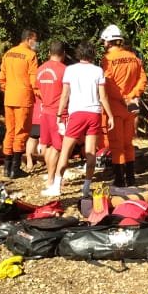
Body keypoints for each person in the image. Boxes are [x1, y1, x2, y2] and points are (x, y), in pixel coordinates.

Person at [42, 42, 114, 197]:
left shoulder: (70, 70)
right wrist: (110, 115)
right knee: (90, 152)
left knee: (65, 151)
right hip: (94, 113)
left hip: (77, 114)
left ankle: (56, 186)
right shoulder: (98, 71)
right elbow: (103, 97)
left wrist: (59, 114)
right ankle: (86, 187)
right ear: (93, 54)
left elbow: (65, 95)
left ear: (78, 54)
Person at [100, 24, 147, 186]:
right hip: (132, 105)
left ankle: (120, 180)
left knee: (116, 144)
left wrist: (123, 97)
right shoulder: (134, 57)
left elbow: (107, 84)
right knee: (128, 143)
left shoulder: (107, 60)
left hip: (115, 106)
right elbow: (143, 80)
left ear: (108, 42)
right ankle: (131, 178)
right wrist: (133, 95)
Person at [0, 29, 39, 178]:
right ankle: (15, 169)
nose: (36, 43)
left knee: (10, 131)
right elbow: (34, 80)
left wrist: (8, 90)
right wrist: (39, 94)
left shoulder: (8, 53)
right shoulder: (30, 55)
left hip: (9, 98)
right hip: (23, 98)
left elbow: (1, 77)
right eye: (35, 40)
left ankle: (6, 167)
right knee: (21, 132)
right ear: (29, 39)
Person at [35, 40, 67, 187]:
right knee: (57, 147)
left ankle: (49, 176)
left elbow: (38, 90)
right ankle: (51, 180)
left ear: (49, 53)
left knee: (47, 146)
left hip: (45, 111)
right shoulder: (65, 70)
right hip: (58, 113)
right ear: (64, 54)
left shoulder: (40, 69)